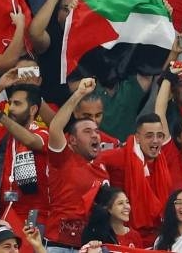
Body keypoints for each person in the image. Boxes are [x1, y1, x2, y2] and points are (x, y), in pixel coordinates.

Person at [46, 78, 110, 253]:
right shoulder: (63, 158)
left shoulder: (102, 167)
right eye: (87, 132)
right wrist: (79, 93)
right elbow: (55, 128)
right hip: (59, 245)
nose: (95, 135)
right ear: (72, 140)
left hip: (89, 245)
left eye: (97, 131)